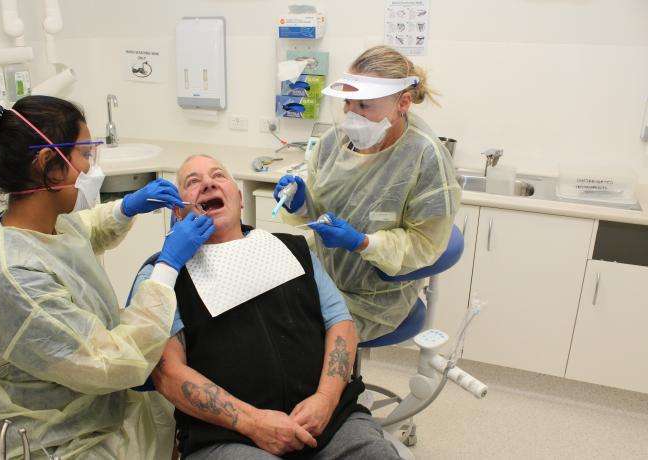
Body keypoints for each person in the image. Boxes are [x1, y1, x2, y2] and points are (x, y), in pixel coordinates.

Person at [0, 96, 215, 459]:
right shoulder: (13, 276)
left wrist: (127, 206)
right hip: (47, 431)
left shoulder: (35, 220)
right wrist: (167, 265)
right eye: (85, 156)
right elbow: (113, 363)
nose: (91, 169)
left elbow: (81, 231)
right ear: (48, 165)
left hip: (84, 398)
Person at [131, 155, 402, 460]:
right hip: (228, 436)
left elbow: (341, 324)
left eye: (218, 175)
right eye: (192, 182)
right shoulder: (163, 276)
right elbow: (168, 373)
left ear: (238, 197)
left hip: (331, 420)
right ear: (177, 210)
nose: (207, 183)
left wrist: (326, 400)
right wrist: (254, 423)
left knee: (377, 453)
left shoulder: (292, 249)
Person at [275, 46, 461, 341]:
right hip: (321, 278)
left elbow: (425, 245)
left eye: (365, 106)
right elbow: (320, 212)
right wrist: (300, 204)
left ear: (403, 103)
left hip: (375, 299)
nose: (351, 116)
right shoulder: (332, 143)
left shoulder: (426, 158)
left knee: (295, 340)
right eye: (348, 103)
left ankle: (337, 388)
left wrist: (363, 243)